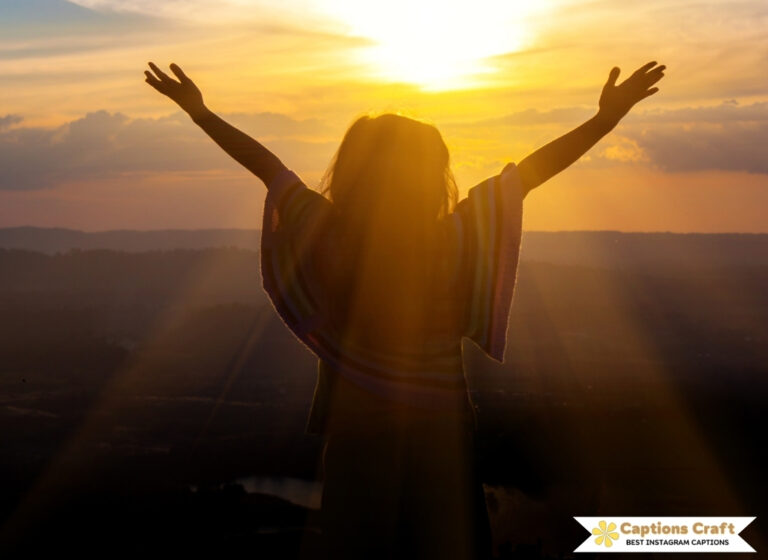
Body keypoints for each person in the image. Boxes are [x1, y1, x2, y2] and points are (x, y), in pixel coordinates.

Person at [144, 59, 665, 558]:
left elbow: (268, 167)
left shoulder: (327, 235)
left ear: (355, 173)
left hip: (356, 439)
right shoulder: (453, 240)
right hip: (442, 437)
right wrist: (604, 120)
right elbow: (528, 174)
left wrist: (201, 112)